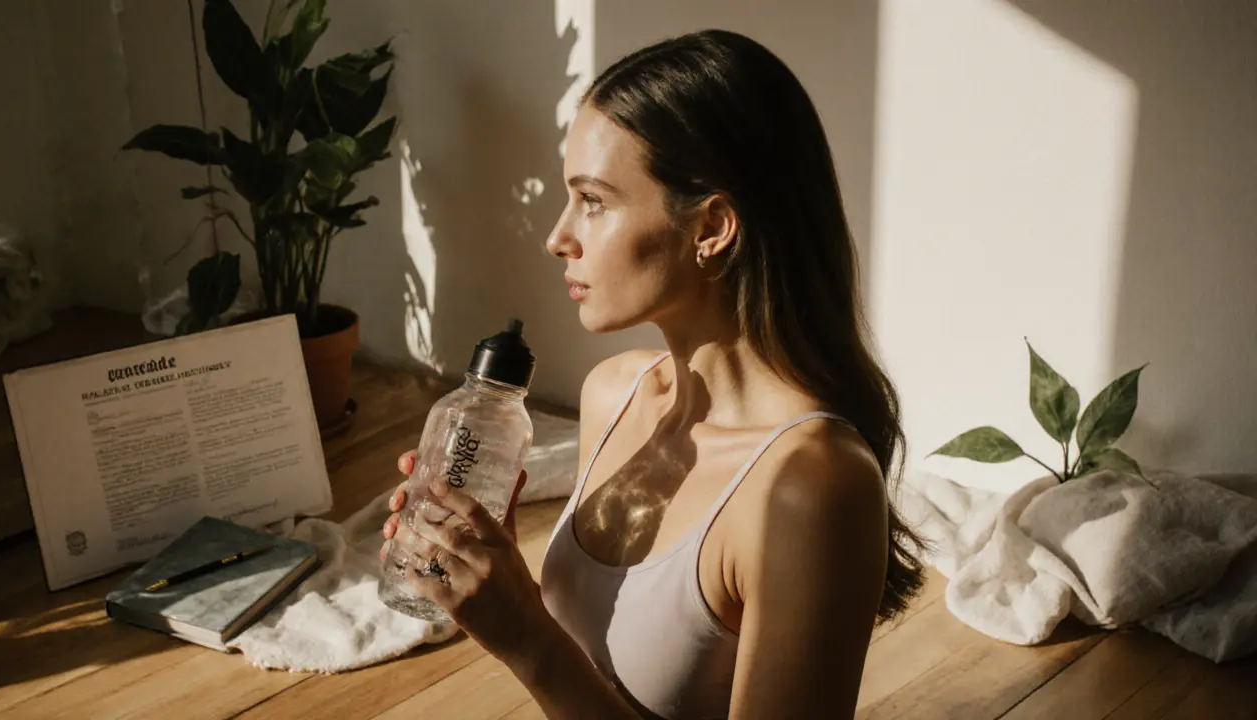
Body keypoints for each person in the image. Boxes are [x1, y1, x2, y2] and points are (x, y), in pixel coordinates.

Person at [380, 28, 926, 719]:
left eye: (594, 201)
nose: (558, 237)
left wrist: (528, 638)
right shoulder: (616, 395)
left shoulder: (810, 485)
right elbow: (603, 667)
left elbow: (558, 659)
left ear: (712, 227)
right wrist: (498, 580)